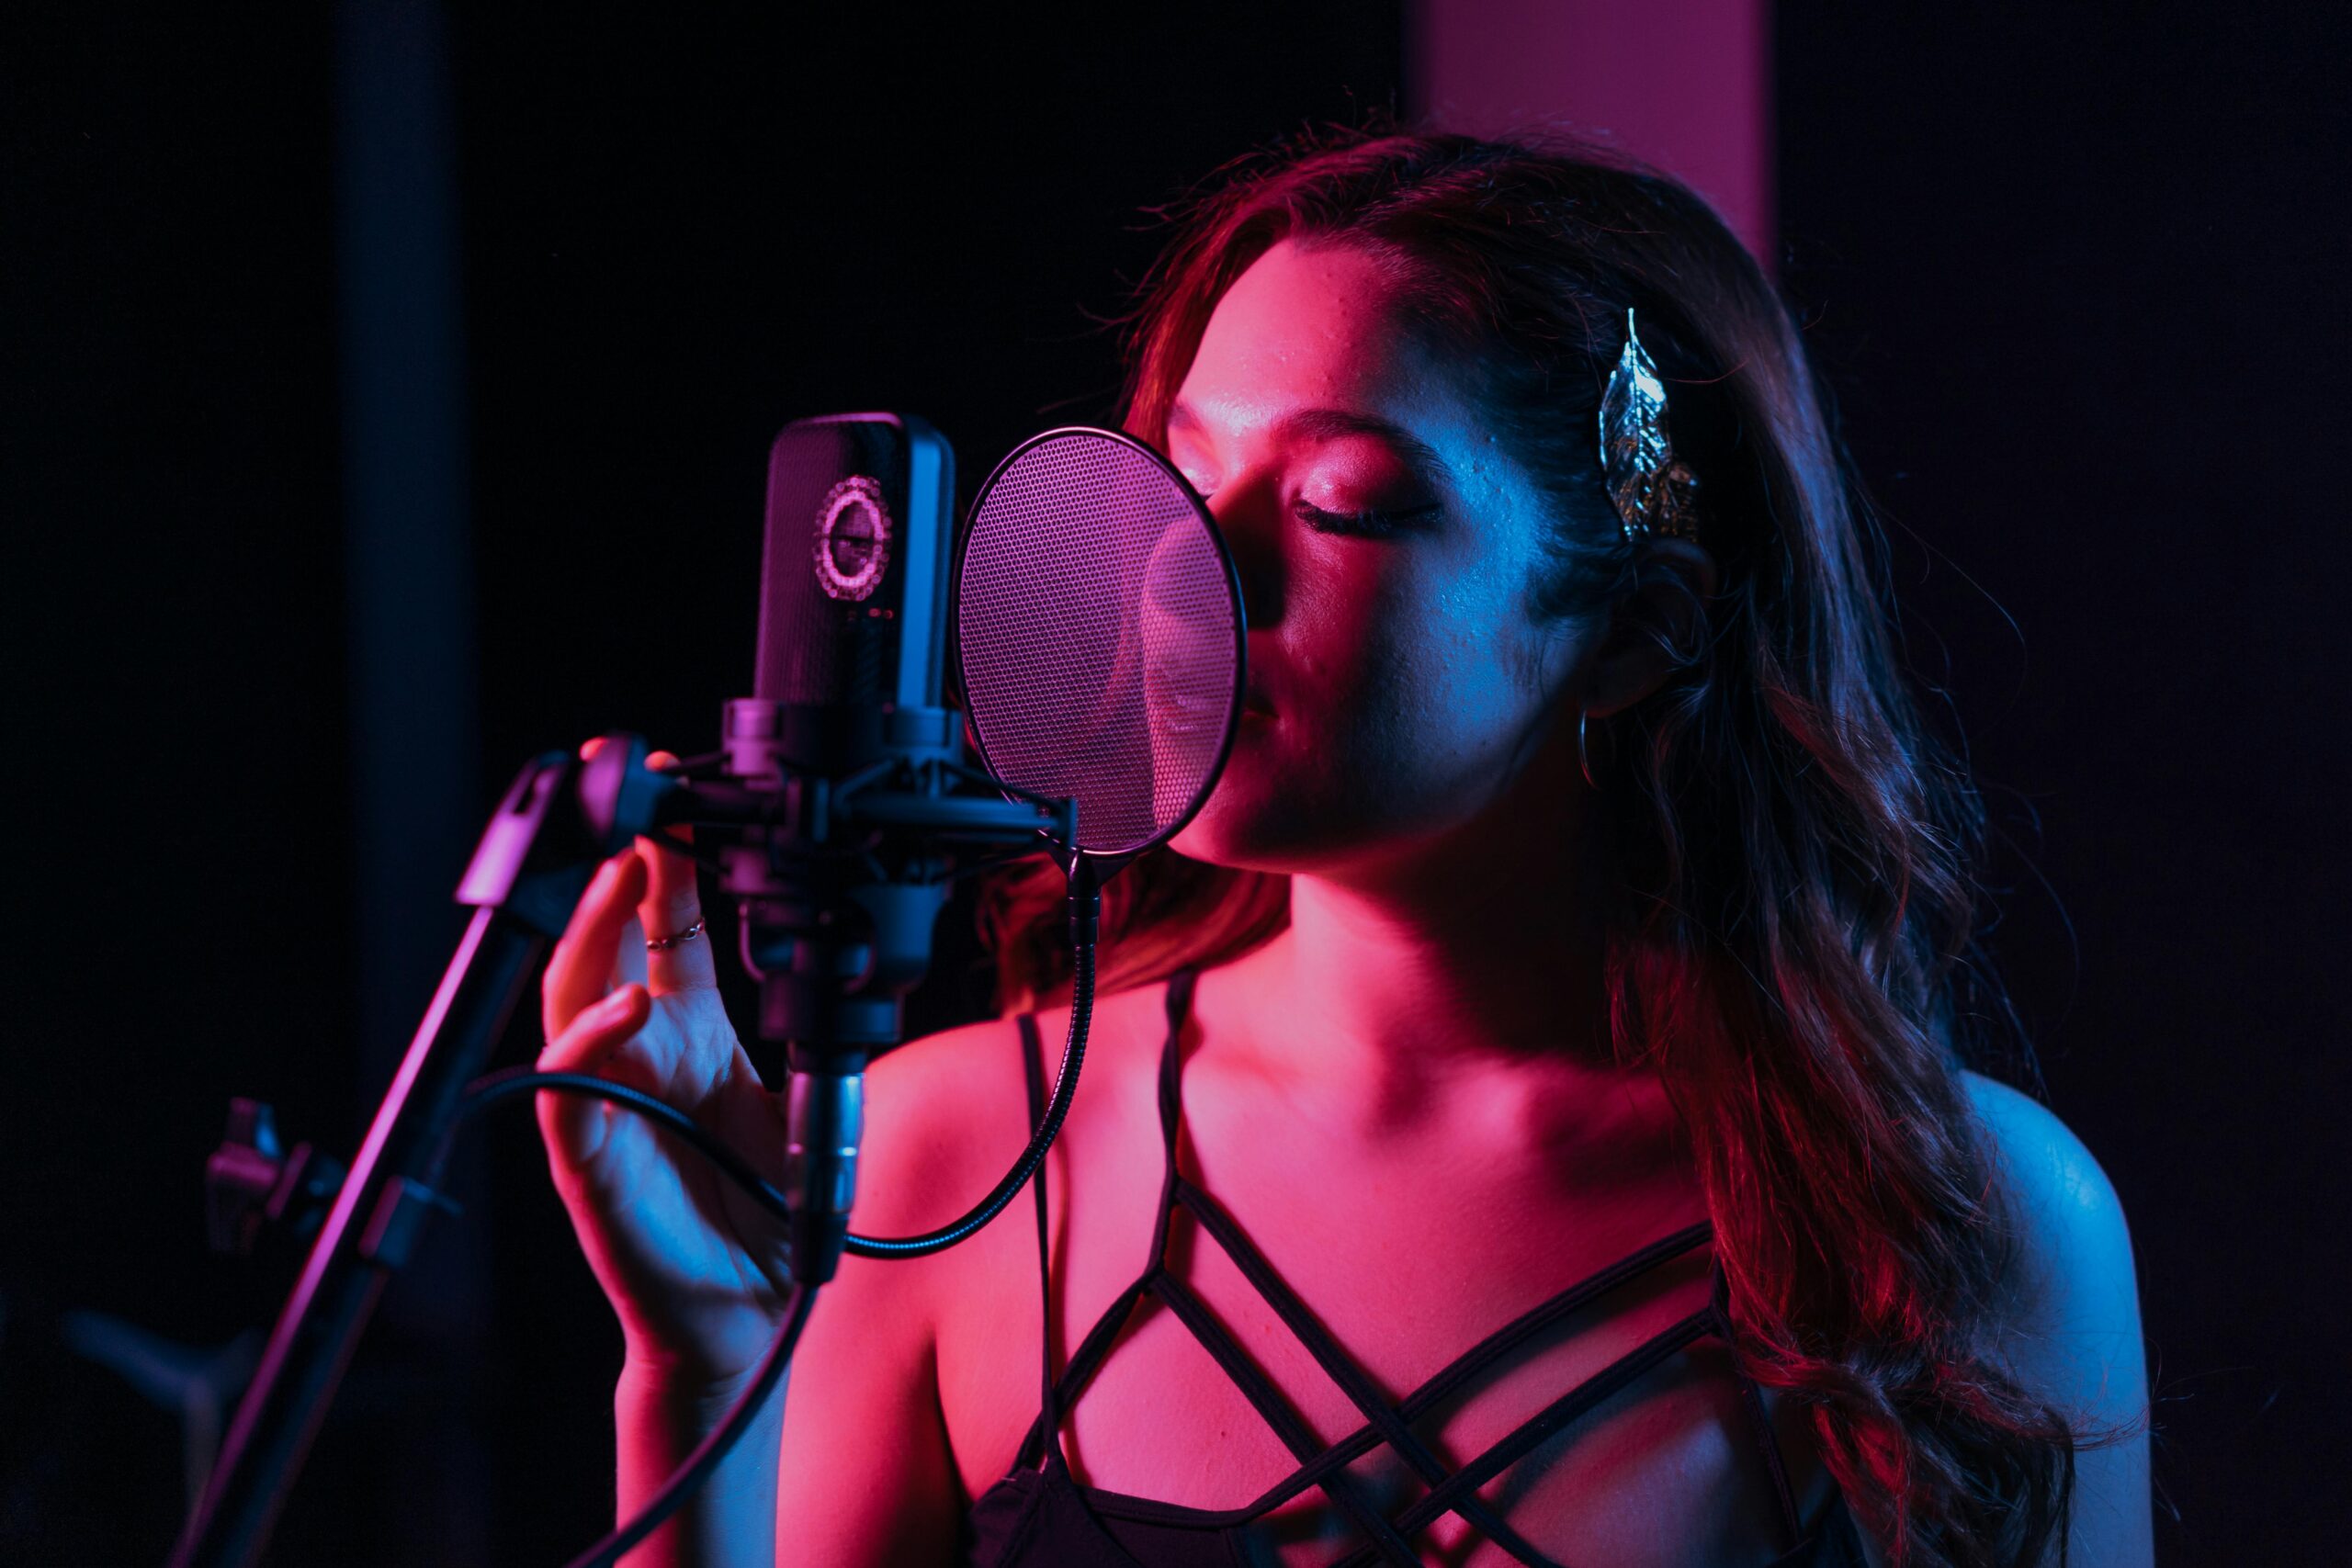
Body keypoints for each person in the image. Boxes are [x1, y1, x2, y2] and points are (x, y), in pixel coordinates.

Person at [534, 131, 2151, 1568]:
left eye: (1342, 503)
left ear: (1635, 632)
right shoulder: (945, 1163)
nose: (1185, 570)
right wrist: (698, 1374)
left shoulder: (1966, 1225)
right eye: (1183, 474)